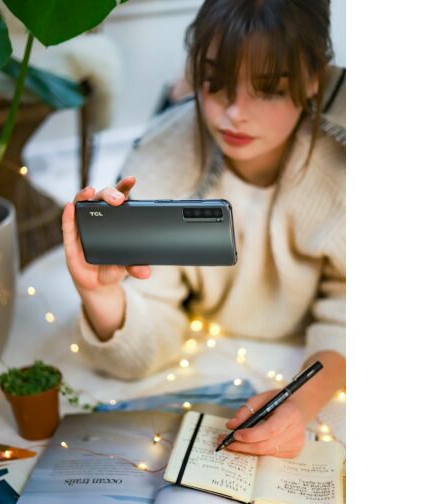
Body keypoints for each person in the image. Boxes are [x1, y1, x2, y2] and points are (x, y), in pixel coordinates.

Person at [62, 0, 345, 459]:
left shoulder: (343, 171)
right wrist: (103, 298)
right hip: (202, 351)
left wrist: (299, 404)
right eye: (215, 82)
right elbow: (142, 346)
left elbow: (350, 316)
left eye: (268, 88)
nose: (234, 112)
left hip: (302, 363)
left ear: (315, 78)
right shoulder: (160, 156)